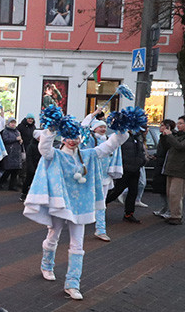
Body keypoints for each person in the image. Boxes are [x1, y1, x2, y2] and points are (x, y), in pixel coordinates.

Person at [24, 117, 129, 300]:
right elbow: (44, 149)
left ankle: (73, 283)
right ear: (63, 138)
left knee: (77, 244)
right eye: (68, 137)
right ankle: (47, 265)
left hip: (80, 206)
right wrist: (50, 130)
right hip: (60, 204)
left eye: (76, 137)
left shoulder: (88, 155)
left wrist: (122, 130)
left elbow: (109, 146)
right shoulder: (55, 155)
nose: (72, 141)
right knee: (53, 235)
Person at [80, 110, 122, 242]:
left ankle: (101, 229)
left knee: (101, 204)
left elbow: (116, 155)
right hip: (89, 177)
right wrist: (93, 114)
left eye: (104, 127)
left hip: (103, 178)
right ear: (94, 128)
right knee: (83, 200)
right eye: (100, 126)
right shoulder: (88, 140)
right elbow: (84, 127)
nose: (103, 129)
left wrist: (112, 171)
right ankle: (75, 222)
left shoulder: (110, 141)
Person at [160, 116, 185, 225]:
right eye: (178, 123)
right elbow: (167, 146)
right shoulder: (177, 135)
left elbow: (180, 146)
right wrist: (164, 136)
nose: (178, 125)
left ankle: (176, 216)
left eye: (181, 123)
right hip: (171, 168)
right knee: (170, 193)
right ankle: (172, 214)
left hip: (181, 170)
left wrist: (170, 136)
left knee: (176, 194)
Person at [105, 129, 146, 223]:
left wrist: (142, 161)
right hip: (125, 169)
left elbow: (141, 151)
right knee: (117, 190)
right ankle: (103, 203)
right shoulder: (122, 137)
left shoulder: (137, 137)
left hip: (135, 169)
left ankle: (129, 214)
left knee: (133, 191)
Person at [152, 119, 176, 218]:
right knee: (161, 189)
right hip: (160, 164)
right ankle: (164, 208)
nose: (160, 127)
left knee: (167, 189)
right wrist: (156, 155)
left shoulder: (170, 137)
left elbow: (169, 149)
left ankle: (170, 210)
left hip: (165, 166)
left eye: (162, 125)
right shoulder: (162, 137)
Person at [18, 114, 40, 201]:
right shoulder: (21, 127)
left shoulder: (33, 127)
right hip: (26, 152)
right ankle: (24, 193)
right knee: (28, 178)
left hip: (38, 164)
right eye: (29, 118)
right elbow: (29, 158)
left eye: (32, 118)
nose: (30, 120)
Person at [0, 118, 23, 191]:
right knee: (8, 169)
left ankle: (12, 186)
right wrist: (16, 139)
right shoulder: (5, 131)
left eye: (14, 123)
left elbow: (19, 139)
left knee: (15, 170)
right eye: (11, 122)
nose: (13, 124)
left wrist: (21, 141)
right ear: (8, 123)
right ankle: (0, 182)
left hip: (17, 152)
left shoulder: (17, 131)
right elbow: (5, 140)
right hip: (10, 152)